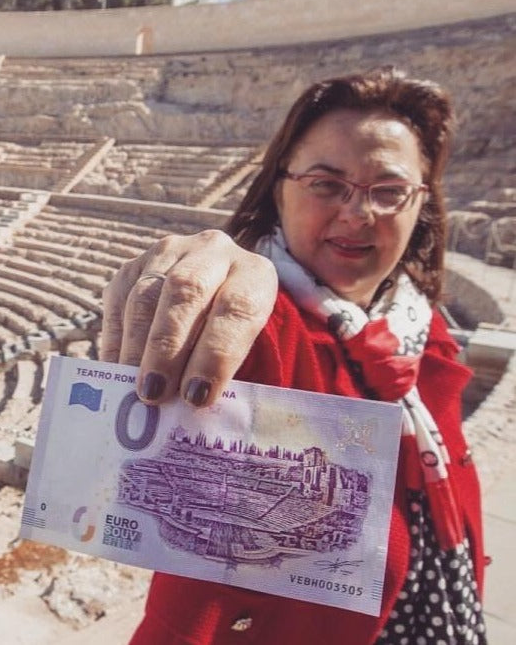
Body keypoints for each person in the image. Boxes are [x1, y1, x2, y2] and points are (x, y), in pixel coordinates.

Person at [104, 68, 486, 644]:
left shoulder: (420, 326)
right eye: (326, 183)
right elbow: (240, 319)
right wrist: (217, 272)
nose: (358, 214)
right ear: (278, 186)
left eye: (389, 191)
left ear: (422, 204)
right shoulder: (266, 332)